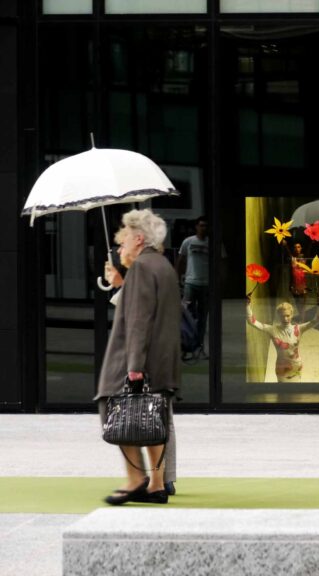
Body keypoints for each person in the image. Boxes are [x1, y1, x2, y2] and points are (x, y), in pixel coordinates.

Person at [96, 209, 181, 505]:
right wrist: (123, 283)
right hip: (162, 360)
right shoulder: (162, 265)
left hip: (135, 361)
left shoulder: (143, 268)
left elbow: (138, 322)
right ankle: (156, 484)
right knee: (153, 420)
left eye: (125, 240)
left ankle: (135, 479)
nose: (121, 247)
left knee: (113, 409)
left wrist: (133, 368)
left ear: (139, 238)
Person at [247, 296, 319, 382]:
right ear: (279, 316)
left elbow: (318, 319)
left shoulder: (299, 329)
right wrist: (247, 305)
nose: (285, 319)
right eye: (282, 316)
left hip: (296, 366)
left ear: (292, 315)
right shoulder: (272, 329)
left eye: (288, 315)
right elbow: (252, 322)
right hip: (281, 368)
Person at [176, 215, 210, 357]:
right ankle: (185, 347)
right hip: (190, 284)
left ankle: (200, 348)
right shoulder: (188, 242)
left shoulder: (212, 243)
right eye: (201, 225)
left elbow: (222, 262)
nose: (203, 228)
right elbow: (181, 260)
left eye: (205, 225)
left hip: (206, 284)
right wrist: (177, 279)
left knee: (202, 318)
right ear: (196, 226)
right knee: (187, 316)